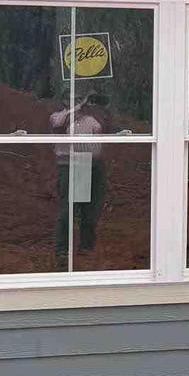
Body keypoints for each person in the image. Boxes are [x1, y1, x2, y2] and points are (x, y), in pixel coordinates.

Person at [50, 90, 112, 262]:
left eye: (80, 99)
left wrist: (100, 107)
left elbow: (104, 130)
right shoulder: (59, 116)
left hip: (89, 164)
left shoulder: (91, 119)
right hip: (69, 165)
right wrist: (79, 105)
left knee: (88, 210)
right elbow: (58, 125)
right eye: (75, 99)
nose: (81, 103)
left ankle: (86, 247)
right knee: (68, 210)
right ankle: (62, 250)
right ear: (64, 100)